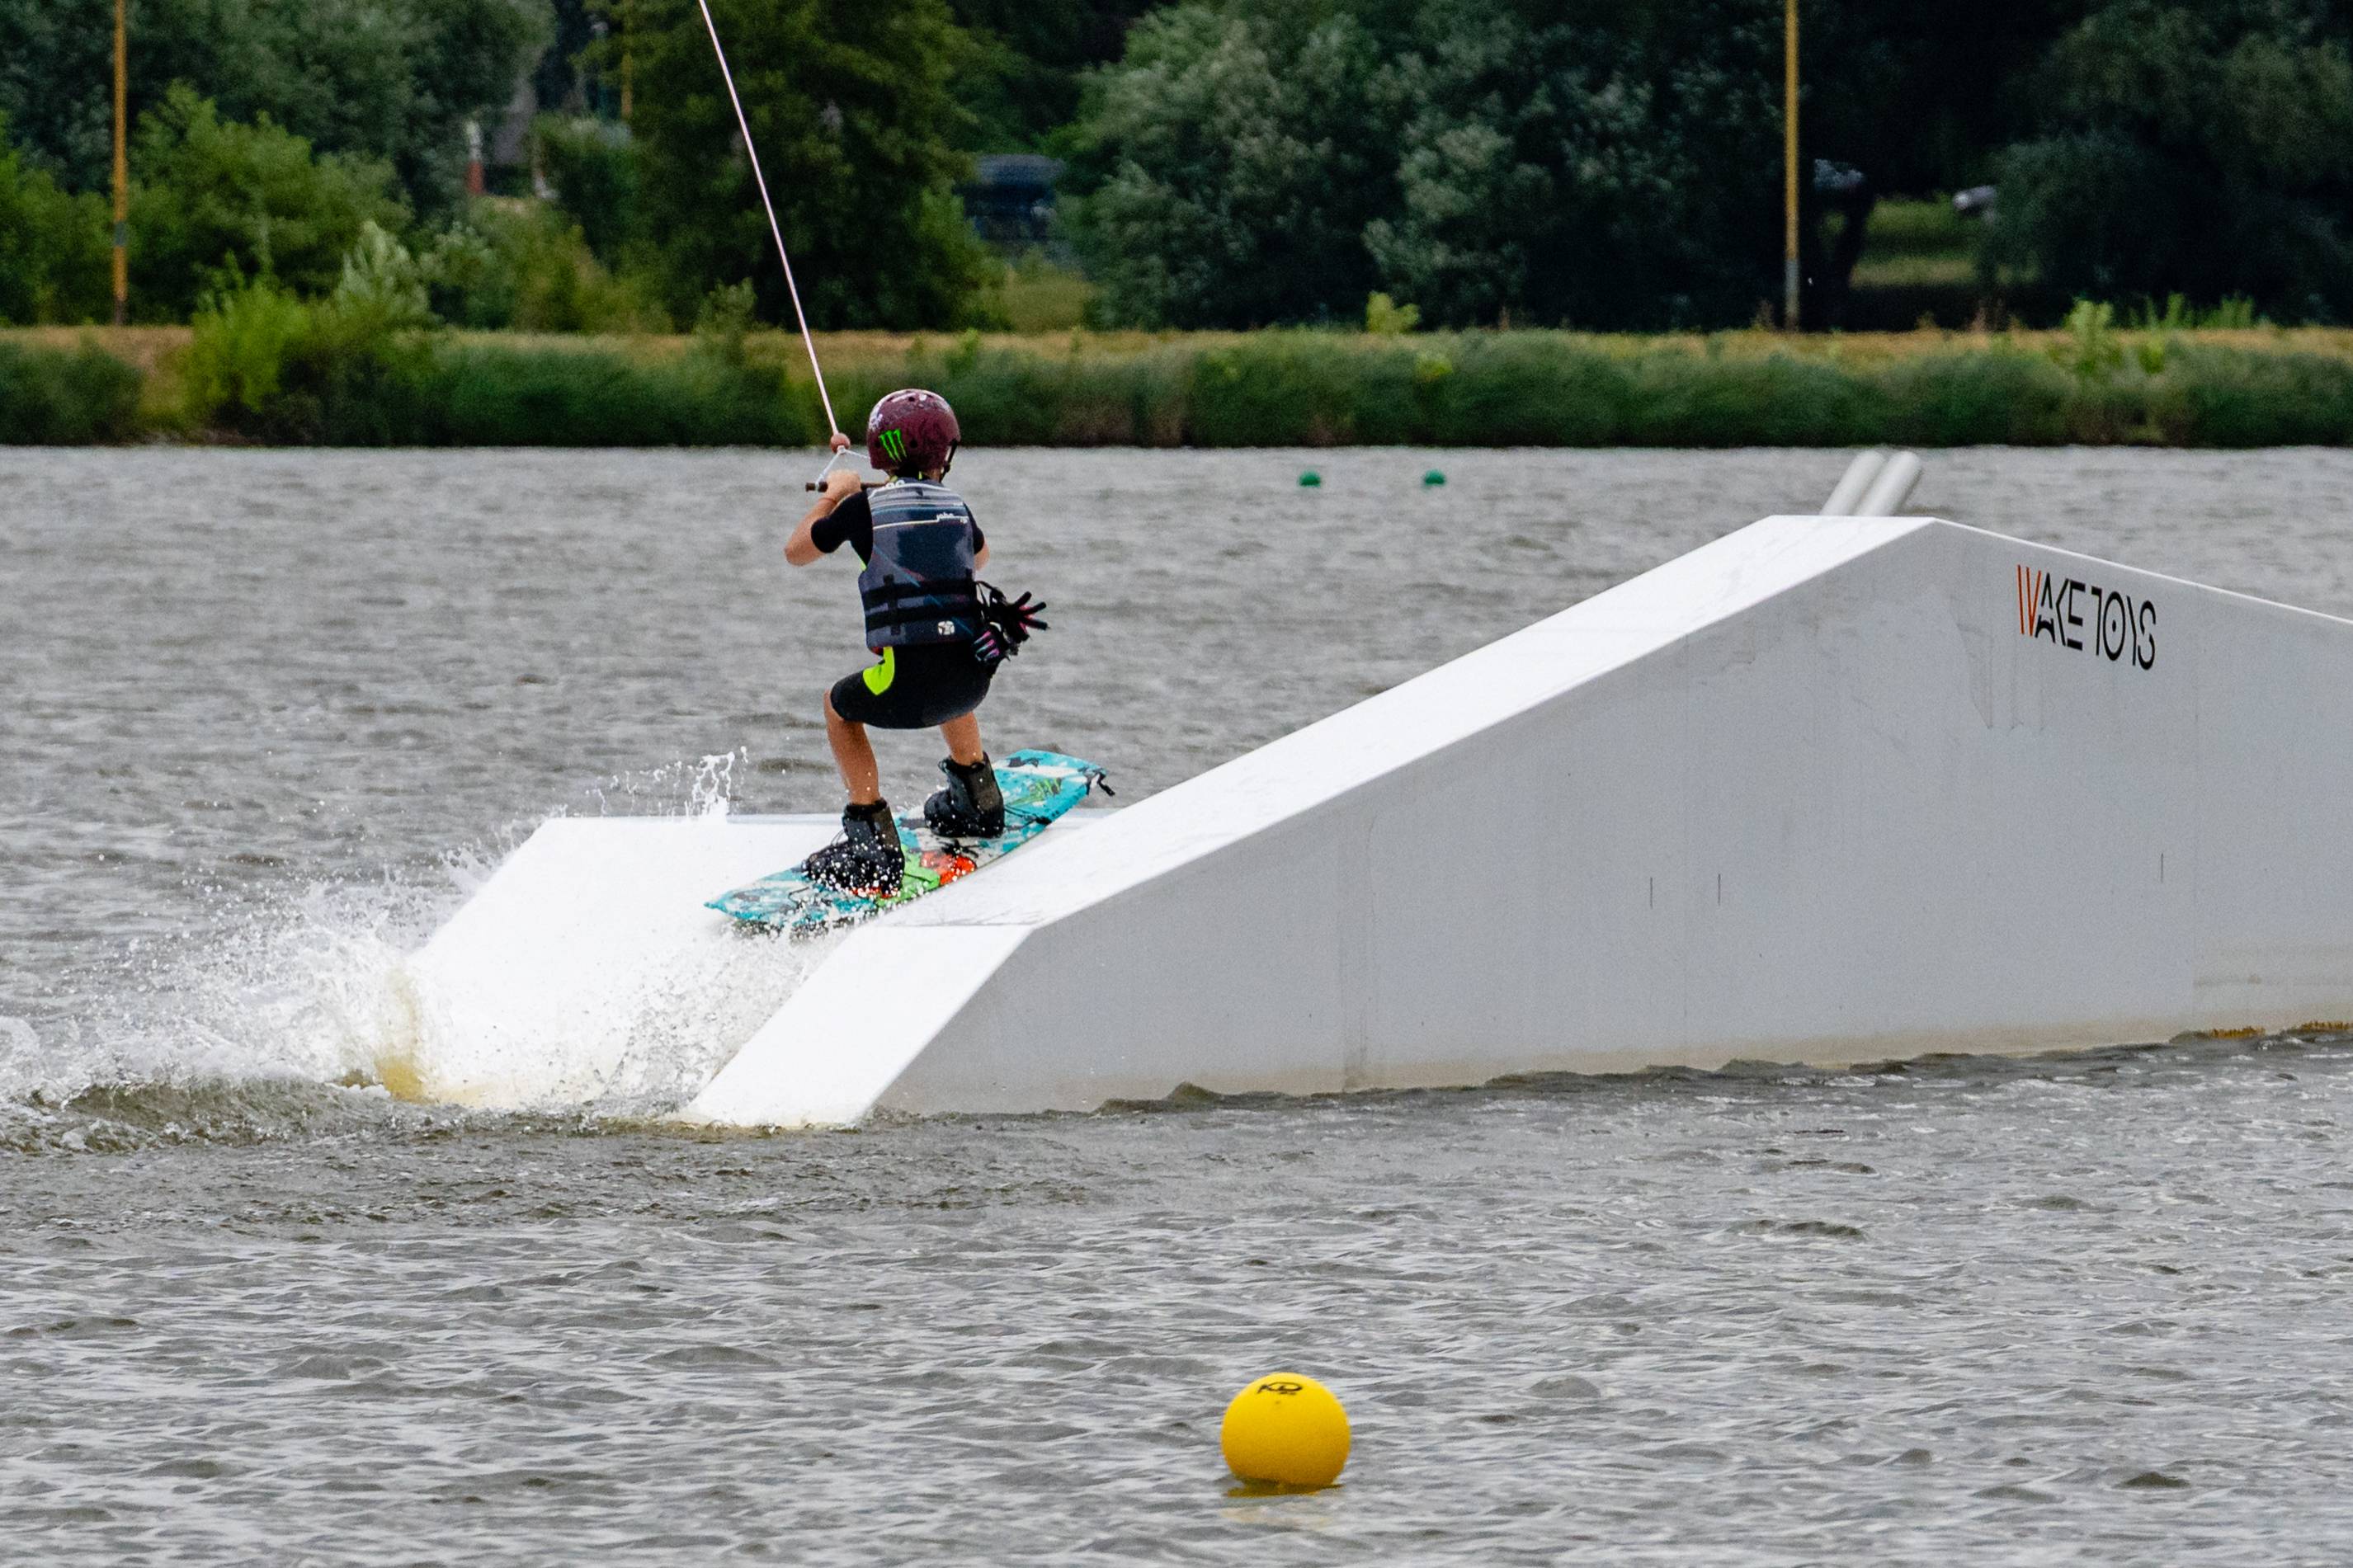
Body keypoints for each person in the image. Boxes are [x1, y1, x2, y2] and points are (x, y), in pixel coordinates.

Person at [785, 388, 1005, 897]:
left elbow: (796, 551)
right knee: (947, 643)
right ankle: (979, 798)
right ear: (943, 456)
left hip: (909, 691)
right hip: (972, 685)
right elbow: (983, 558)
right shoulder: (956, 506)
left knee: (837, 706)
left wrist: (833, 496)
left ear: (879, 452)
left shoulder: (861, 508)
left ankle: (870, 837)